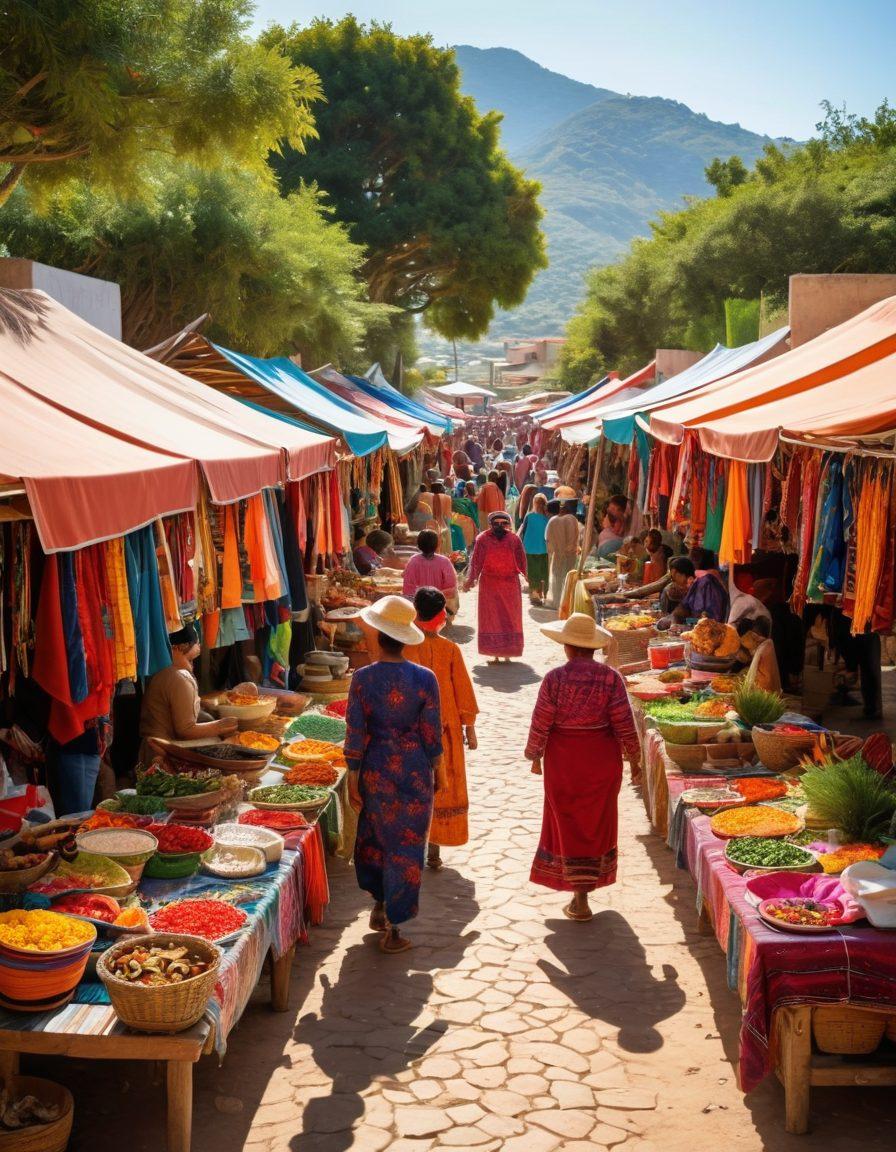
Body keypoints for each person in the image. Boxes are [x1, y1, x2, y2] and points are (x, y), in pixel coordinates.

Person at [345, 596, 445, 954]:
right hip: (414, 772)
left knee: (375, 839)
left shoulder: (362, 678)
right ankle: (394, 926)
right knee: (406, 847)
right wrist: (439, 771)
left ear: (378, 634)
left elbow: (354, 731)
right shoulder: (424, 678)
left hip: (376, 769)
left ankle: (379, 903)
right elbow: (432, 732)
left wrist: (353, 775)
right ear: (405, 637)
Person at [525, 613, 641, 921]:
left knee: (567, 823)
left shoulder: (554, 679)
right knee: (596, 825)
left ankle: (579, 897)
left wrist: (534, 755)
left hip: (564, 762)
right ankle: (582, 894)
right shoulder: (610, 678)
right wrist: (636, 758)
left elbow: (542, 721)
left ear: (567, 647)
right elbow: (624, 722)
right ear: (591, 647)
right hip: (601, 761)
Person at [408, 587, 479, 870]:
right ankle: (434, 852)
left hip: (410, 731)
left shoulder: (404, 647)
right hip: (444, 731)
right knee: (441, 786)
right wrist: (470, 729)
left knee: (415, 787)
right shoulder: (450, 649)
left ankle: (414, 847)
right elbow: (463, 691)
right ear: (441, 616)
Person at [139, 624, 237, 764]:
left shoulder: (160, 670)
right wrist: (221, 726)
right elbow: (185, 729)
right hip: (162, 750)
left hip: (151, 748)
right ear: (177, 648)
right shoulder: (179, 676)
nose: (193, 666)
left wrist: (208, 708)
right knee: (225, 743)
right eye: (190, 659)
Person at [464, 510, 527, 663]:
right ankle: (501, 655)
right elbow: (476, 562)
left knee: (501, 618)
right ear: (491, 524)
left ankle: (502, 655)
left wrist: (470, 580)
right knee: (500, 618)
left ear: (507, 524)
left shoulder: (509, 539)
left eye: (502, 523)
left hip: (502, 585)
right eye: (496, 524)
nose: (499, 526)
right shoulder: (489, 539)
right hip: (495, 586)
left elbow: (521, 560)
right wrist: (471, 579)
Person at [402, 530, 460, 617]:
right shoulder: (444, 561)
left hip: (420, 607)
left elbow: (408, 589)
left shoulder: (413, 561)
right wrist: (434, 597)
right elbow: (451, 588)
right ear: (437, 545)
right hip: (439, 605)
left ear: (418, 544)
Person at [545, 499, 580, 610]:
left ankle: (557, 601)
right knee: (567, 578)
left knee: (557, 578)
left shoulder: (553, 520)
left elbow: (548, 540)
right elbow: (574, 540)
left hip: (557, 555)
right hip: (570, 555)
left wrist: (553, 551)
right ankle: (566, 602)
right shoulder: (572, 520)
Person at [519, 492, 551, 605]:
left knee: (532, 572)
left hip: (530, 549)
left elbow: (523, 531)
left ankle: (534, 594)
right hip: (544, 549)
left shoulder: (529, 516)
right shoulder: (548, 518)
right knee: (543, 572)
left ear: (534, 504)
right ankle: (541, 593)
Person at [597, 495, 628, 559]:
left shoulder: (620, 520)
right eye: (610, 507)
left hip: (610, 547)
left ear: (621, 511)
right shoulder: (610, 517)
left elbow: (618, 533)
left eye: (613, 508)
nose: (609, 510)